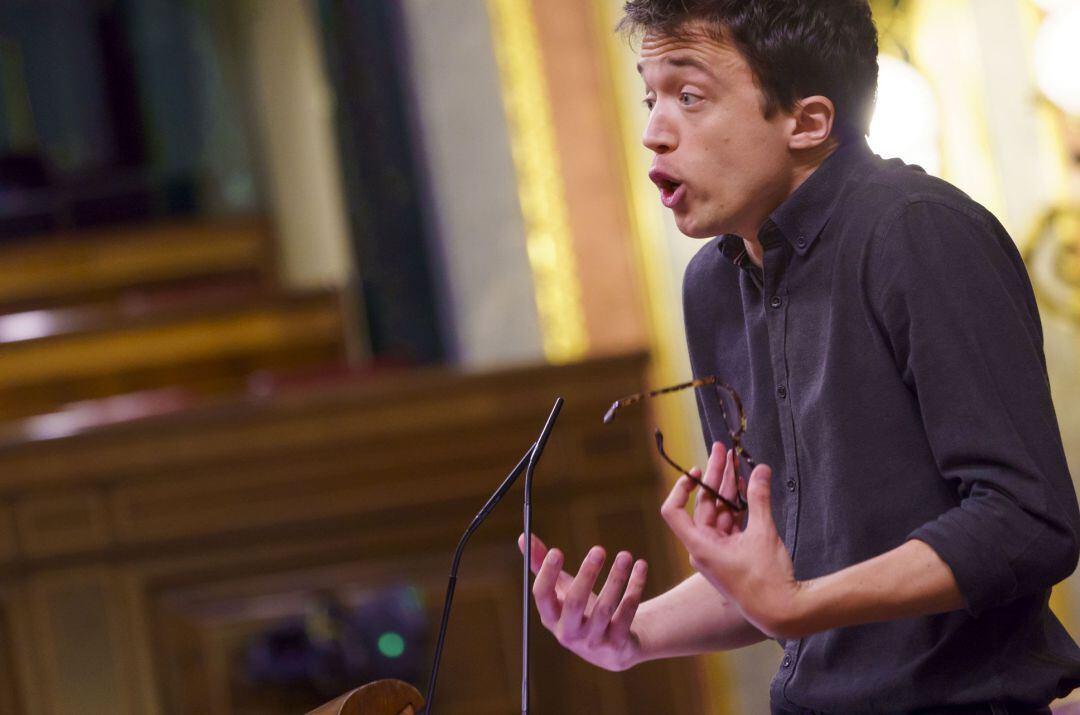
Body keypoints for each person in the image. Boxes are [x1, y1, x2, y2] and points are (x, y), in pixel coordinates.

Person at [518, 1, 1080, 712]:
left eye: (689, 97)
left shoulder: (919, 231)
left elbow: (1029, 521)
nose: (653, 132)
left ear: (808, 121)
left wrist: (795, 602)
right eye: (650, 95)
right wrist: (631, 632)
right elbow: (786, 570)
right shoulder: (714, 283)